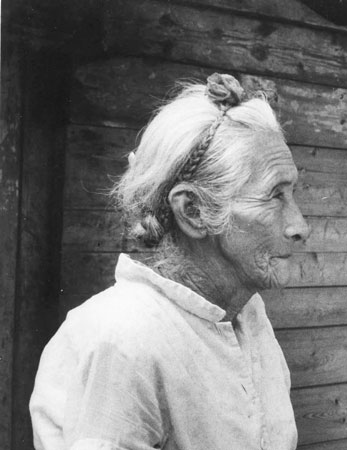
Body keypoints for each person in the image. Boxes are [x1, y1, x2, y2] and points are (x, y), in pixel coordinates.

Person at [30, 73, 309, 450]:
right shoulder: (122, 338)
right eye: (274, 196)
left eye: (292, 193)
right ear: (193, 211)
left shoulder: (248, 315)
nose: (300, 226)